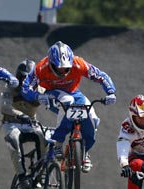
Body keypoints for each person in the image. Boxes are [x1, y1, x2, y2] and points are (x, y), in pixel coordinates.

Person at [22, 41, 117, 173]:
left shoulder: (79, 63)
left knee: (92, 116)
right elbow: (25, 88)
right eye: (58, 67)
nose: (62, 71)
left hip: (74, 93)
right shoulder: (41, 68)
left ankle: (84, 151)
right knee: (67, 101)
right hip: (52, 94)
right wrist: (37, 96)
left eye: (66, 67)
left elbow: (101, 76)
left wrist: (111, 92)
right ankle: (58, 143)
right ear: (50, 63)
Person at [1, 59, 48, 189]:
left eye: (29, 78)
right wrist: (20, 115)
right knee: (13, 138)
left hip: (30, 124)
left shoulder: (40, 90)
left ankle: (42, 172)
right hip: (11, 123)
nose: (25, 82)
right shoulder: (11, 87)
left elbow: (53, 100)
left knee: (43, 135)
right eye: (22, 77)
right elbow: (4, 107)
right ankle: (22, 177)